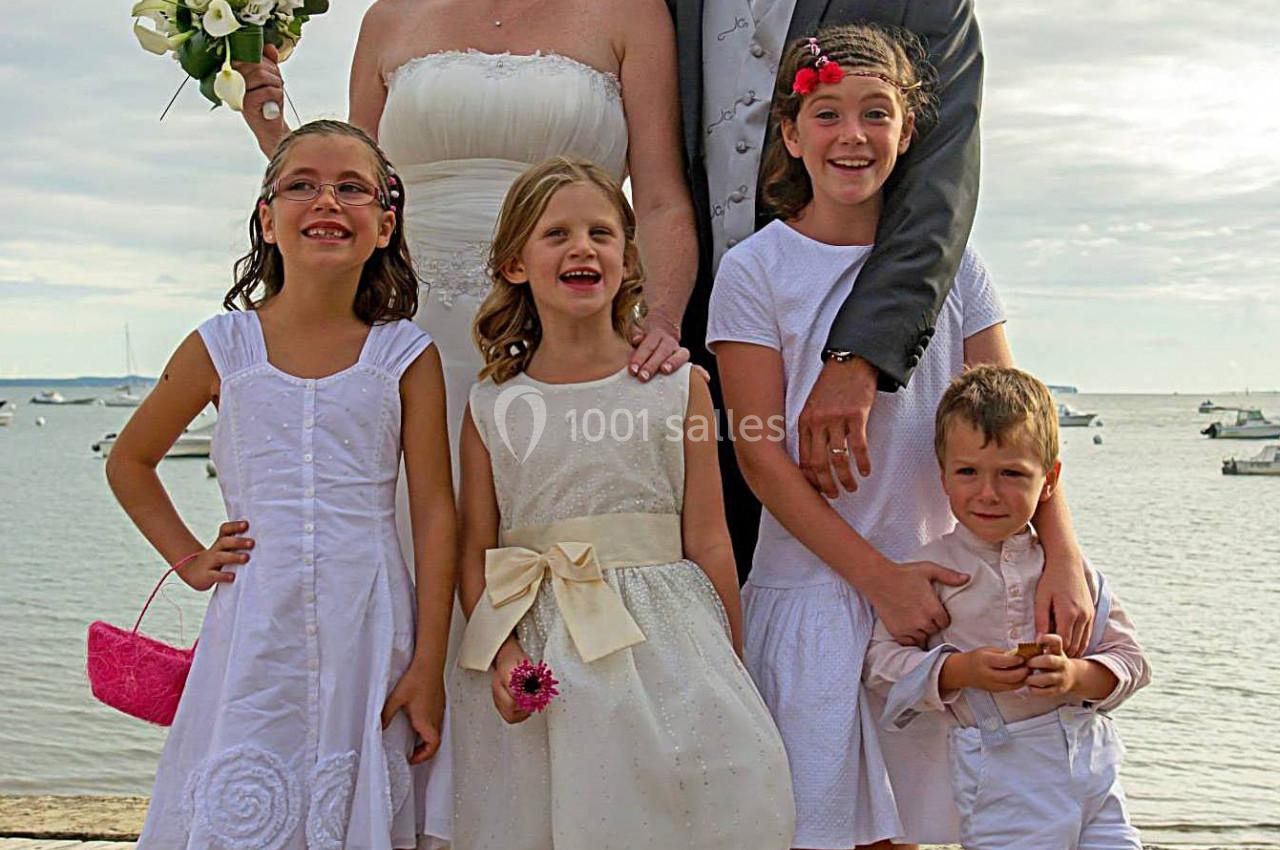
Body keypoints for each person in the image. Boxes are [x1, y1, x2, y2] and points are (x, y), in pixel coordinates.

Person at [707, 24, 1092, 848]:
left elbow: (1020, 422)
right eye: (827, 114)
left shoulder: (955, 267)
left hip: (941, 603)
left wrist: (1062, 553)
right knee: (814, 830)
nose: (852, 136)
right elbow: (761, 459)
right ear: (789, 134)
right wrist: (878, 580)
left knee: (926, 830)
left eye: (876, 114)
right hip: (816, 596)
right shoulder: (754, 271)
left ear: (908, 131)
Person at [105, 120, 456, 850]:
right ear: (267, 217)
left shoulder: (405, 354)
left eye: (351, 188)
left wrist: (428, 663)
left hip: (371, 621)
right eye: (301, 185)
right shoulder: (221, 345)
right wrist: (190, 559)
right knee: (241, 797)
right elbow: (130, 461)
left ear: (385, 224)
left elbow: (432, 511)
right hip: (254, 625)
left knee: (352, 799)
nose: (326, 201)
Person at [448, 157, 795, 850]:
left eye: (601, 233)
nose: (583, 247)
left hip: (670, 640)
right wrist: (505, 655)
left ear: (627, 258)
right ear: (516, 263)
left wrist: (730, 656)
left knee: (689, 804)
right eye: (558, 235)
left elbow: (711, 539)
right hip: (547, 648)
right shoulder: (492, 404)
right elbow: (476, 556)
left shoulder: (679, 387)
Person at [235, 0, 696, 458]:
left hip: (568, 326)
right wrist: (272, 132)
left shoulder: (631, 13)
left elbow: (661, 202)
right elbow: (359, 193)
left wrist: (662, 322)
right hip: (409, 324)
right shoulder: (389, 18)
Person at [865, 365, 1151, 850]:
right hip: (1001, 782)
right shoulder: (928, 570)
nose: (988, 493)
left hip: (1095, 775)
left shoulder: (1068, 573)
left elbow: (1133, 663)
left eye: (1012, 474)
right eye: (968, 472)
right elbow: (879, 666)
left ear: (1049, 479)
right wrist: (957, 671)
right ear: (943, 477)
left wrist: (1075, 676)